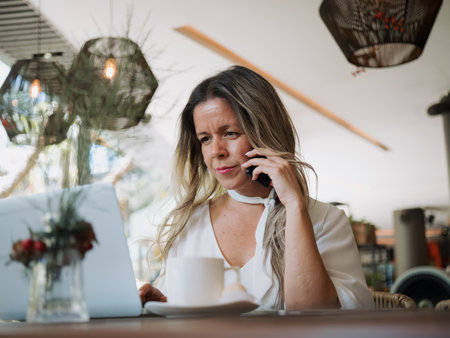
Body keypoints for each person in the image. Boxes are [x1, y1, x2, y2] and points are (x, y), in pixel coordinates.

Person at [139, 65, 374, 310]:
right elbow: (179, 312)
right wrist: (160, 302)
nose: (216, 152)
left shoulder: (325, 220)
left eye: (230, 133)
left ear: (265, 133)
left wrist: (295, 207)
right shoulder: (189, 224)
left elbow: (312, 316)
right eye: (205, 139)